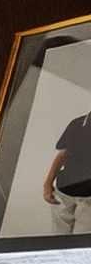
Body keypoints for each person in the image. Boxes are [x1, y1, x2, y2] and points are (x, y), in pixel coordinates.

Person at [46, 99, 91, 235]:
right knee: (57, 238)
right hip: (63, 192)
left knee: (81, 242)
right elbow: (62, 155)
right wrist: (47, 184)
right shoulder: (76, 123)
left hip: (88, 199)